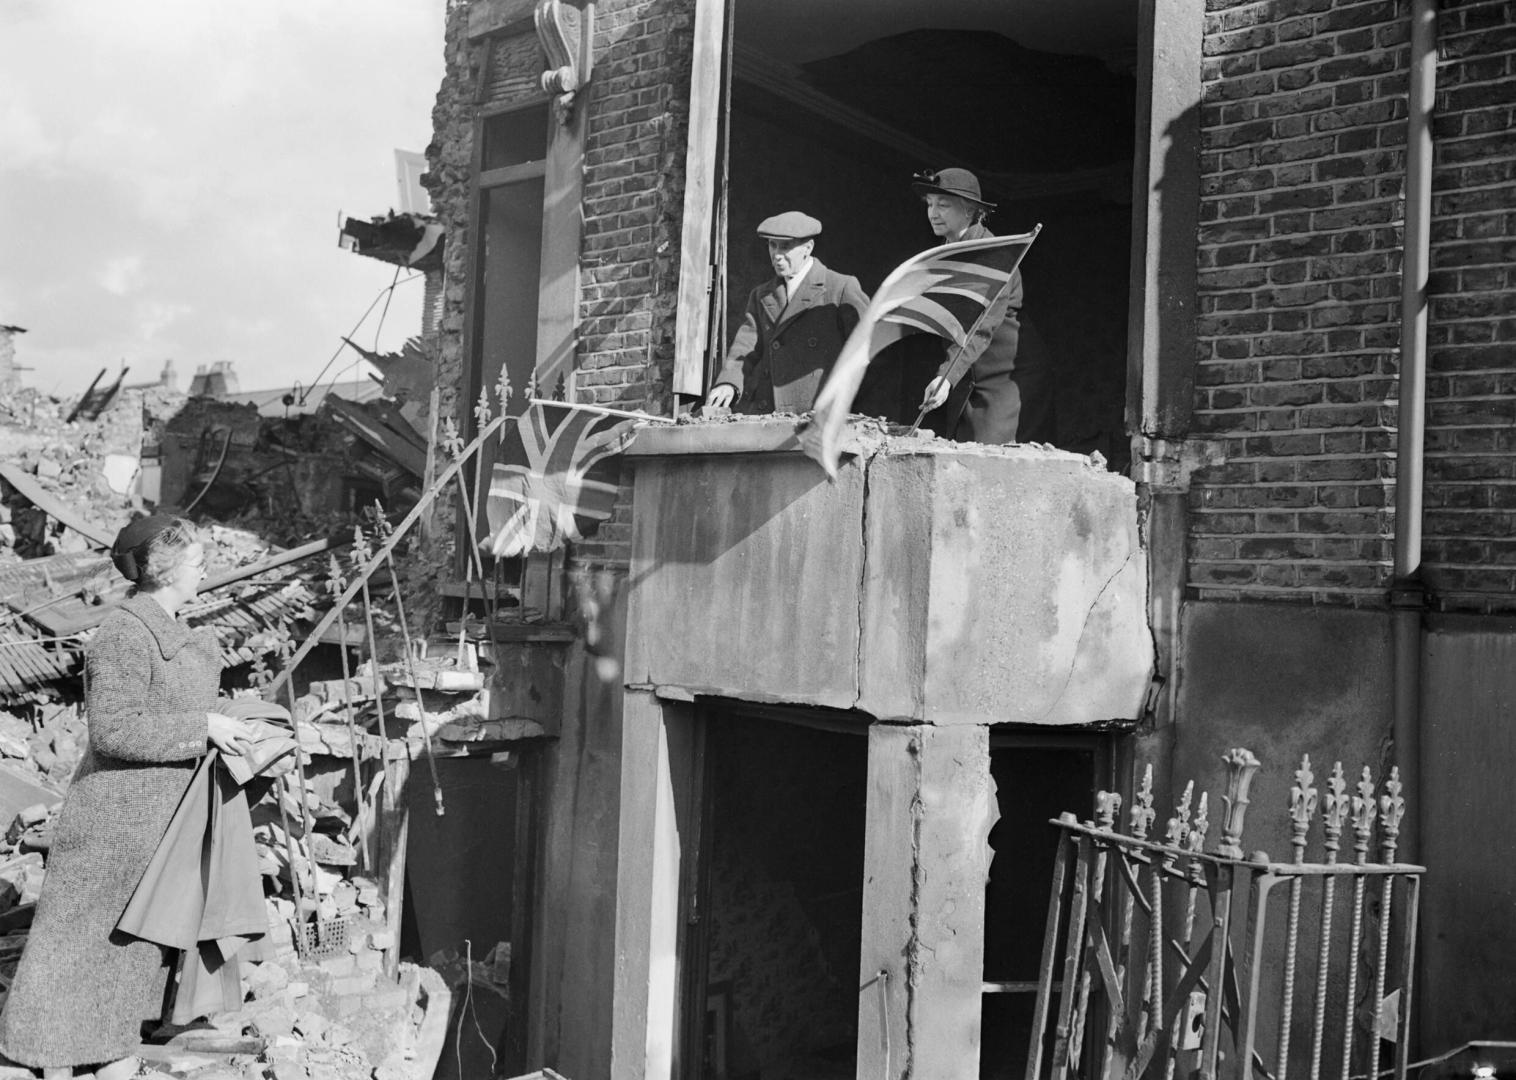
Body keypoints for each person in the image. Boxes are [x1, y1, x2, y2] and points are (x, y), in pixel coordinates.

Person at [0, 516, 253, 1079]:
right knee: (75, 950)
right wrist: (201, 726)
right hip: (114, 819)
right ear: (162, 570)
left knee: (129, 954)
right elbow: (113, 730)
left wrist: (230, 722)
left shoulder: (184, 635)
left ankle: (106, 1049)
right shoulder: (122, 634)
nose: (205, 568)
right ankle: (38, 1054)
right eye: (195, 560)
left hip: (162, 819)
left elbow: (180, 714)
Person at [704, 211, 869, 415]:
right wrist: (728, 382)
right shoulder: (761, 295)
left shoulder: (840, 288)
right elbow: (745, 348)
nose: (777, 255)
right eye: (772, 245)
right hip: (769, 411)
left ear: (808, 248)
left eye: (785, 247)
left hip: (819, 413)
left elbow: (868, 351)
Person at [909, 167, 1025, 444]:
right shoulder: (945, 251)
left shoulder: (993, 255)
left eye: (943, 205)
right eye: (930, 205)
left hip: (1003, 380)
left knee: (988, 457)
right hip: (966, 374)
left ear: (970, 211)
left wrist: (946, 377)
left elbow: (981, 324)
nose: (933, 213)